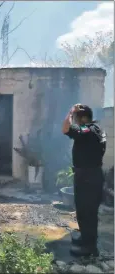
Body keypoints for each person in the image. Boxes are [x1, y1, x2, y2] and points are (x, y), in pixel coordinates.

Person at [62, 104, 106, 257]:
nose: (74, 120)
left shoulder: (87, 129)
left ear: (83, 117)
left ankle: (90, 248)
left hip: (87, 177)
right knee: (86, 211)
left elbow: (66, 129)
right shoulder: (98, 129)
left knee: (86, 212)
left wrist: (70, 111)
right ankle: (86, 239)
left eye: (76, 117)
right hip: (92, 176)